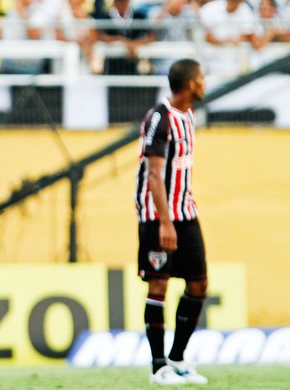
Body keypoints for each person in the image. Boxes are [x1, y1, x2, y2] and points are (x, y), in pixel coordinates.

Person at [134, 58, 208, 385]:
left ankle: (177, 358)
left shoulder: (189, 114)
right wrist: (165, 222)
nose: (205, 83)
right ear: (191, 84)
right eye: (201, 78)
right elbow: (153, 174)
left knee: (198, 284)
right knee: (159, 284)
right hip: (157, 215)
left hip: (186, 211)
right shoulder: (159, 117)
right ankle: (157, 366)